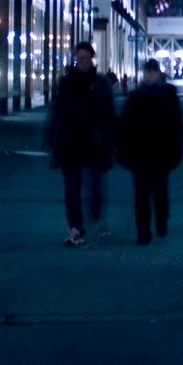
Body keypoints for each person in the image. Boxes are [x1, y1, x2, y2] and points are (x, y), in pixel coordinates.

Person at [46, 41, 119, 247]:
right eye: (79, 58)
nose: (82, 61)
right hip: (71, 143)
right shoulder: (67, 83)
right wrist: (53, 139)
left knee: (95, 187)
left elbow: (109, 114)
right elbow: (57, 112)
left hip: (93, 144)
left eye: (86, 57)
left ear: (92, 59)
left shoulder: (100, 83)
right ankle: (76, 227)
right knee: (72, 189)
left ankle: (95, 215)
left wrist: (111, 140)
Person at [119, 57, 183, 246]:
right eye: (147, 72)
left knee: (160, 192)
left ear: (158, 73)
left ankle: (161, 223)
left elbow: (176, 128)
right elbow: (125, 126)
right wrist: (124, 151)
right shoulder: (136, 97)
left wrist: (175, 152)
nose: (149, 75)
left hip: (161, 153)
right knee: (141, 194)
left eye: (152, 72)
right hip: (140, 154)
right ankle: (143, 232)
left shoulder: (168, 96)